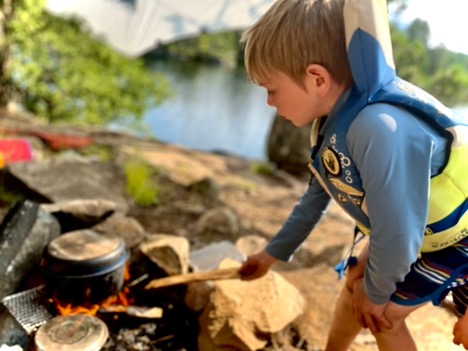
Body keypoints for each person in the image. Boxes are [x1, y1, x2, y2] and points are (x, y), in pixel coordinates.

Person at [237, 0, 468, 350]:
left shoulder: (377, 128)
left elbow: (399, 234)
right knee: (355, 279)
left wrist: (376, 296)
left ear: (317, 78)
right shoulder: (331, 129)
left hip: (456, 240)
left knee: (382, 316)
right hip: (425, 235)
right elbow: (313, 204)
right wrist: (270, 256)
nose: (269, 102)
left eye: (271, 90)